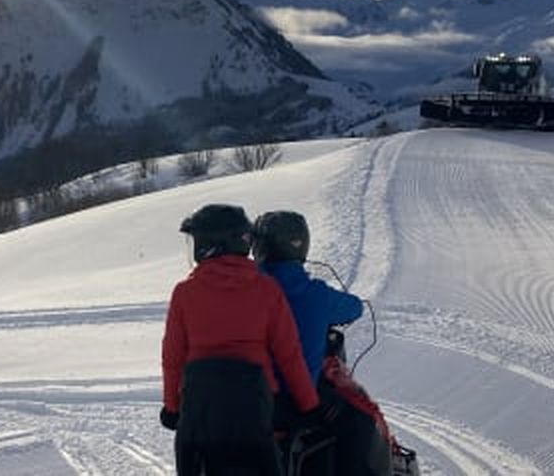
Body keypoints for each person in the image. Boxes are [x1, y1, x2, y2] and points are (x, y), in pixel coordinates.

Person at [161, 204, 323, 476]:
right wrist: (309, 405)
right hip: (255, 406)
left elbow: (173, 358)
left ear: (208, 245)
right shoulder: (267, 289)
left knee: (189, 457)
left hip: (201, 406)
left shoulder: (185, 293)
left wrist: (172, 407)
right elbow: (288, 354)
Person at [253, 211, 393, 476]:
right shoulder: (315, 293)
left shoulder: (246, 289)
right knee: (361, 416)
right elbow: (354, 308)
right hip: (303, 397)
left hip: (253, 396)